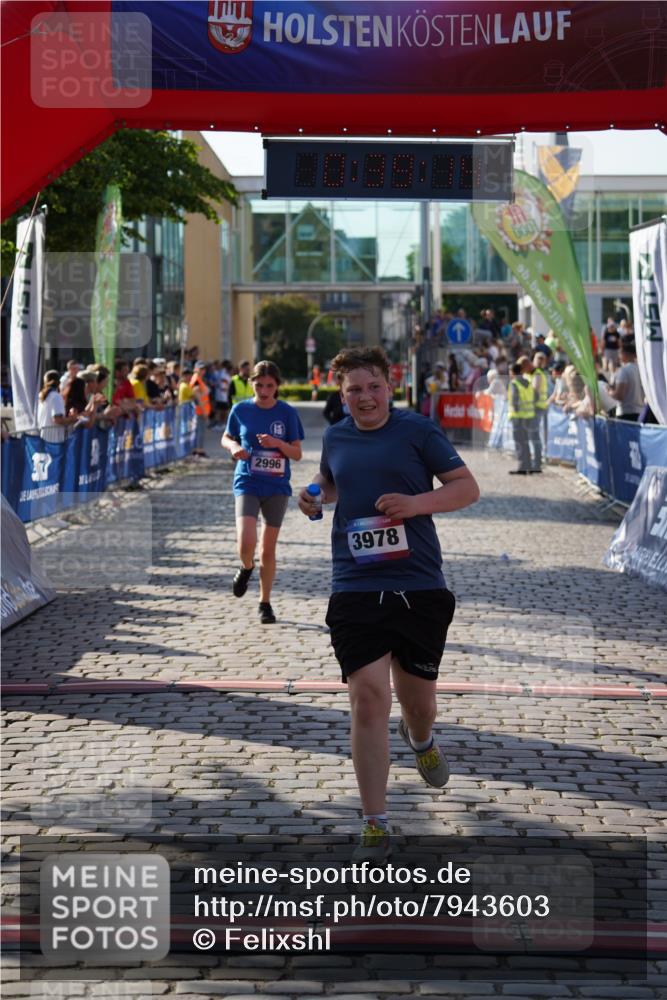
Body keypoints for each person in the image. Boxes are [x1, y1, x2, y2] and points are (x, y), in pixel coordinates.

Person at [297, 346, 479, 861]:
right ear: (341, 393)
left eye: (373, 386)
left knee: (418, 704)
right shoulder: (336, 435)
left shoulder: (418, 431)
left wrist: (415, 504)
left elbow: (467, 488)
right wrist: (311, 495)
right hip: (354, 584)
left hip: (419, 584)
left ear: (389, 385)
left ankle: (420, 740)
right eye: (354, 389)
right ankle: (375, 819)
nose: (365, 396)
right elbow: (332, 482)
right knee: (370, 697)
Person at [222, 360, 304, 625]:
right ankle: (246, 568)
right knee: (246, 542)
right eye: (259, 385)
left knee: (267, 549)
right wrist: (233, 447)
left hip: (277, 486)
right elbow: (226, 436)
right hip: (247, 480)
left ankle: (265, 602)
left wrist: (277, 443)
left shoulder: (287, 413)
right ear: (251, 384)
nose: (264, 390)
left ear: (277, 386)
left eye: (269, 385)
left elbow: (297, 453)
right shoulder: (241, 409)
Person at [507, 360, 535, 475]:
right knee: (525, 442)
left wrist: (515, 410)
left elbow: (515, 400)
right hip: (528, 416)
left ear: (513, 372)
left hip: (518, 418)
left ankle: (522, 467)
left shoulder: (514, 383)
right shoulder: (528, 382)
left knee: (519, 442)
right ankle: (528, 465)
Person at [37, 370, 79, 442]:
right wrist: (72, 419)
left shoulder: (42, 396)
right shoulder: (55, 396)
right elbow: (57, 419)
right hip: (53, 441)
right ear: (59, 382)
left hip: (44, 438)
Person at [608, 339, 644, 421]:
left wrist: (609, 391)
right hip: (640, 413)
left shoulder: (624, 370)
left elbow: (620, 395)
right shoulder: (641, 370)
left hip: (626, 413)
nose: (618, 356)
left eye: (620, 353)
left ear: (625, 354)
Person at [190, 360, 211, 456]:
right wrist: (204, 411)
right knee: (199, 431)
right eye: (200, 368)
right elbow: (198, 397)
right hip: (199, 410)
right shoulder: (196, 380)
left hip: (202, 410)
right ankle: (198, 450)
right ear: (195, 369)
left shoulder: (199, 379)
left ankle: (199, 449)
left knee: (201, 430)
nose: (203, 370)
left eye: (203, 369)